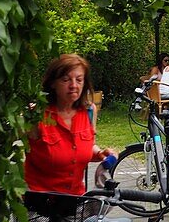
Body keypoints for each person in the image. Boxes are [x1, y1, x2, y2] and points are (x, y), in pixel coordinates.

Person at [25, 54, 116, 196]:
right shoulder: (37, 115)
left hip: (74, 203)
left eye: (79, 80)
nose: (74, 85)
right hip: (38, 207)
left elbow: (83, 146)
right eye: (66, 79)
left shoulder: (89, 111)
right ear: (53, 83)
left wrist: (100, 153)